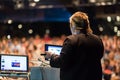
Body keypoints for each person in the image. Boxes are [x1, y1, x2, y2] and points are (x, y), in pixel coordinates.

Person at [45, 11, 104, 80]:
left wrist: (51, 55)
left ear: (73, 26)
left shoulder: (71, 40)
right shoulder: (98, 40)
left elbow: (61, 62)